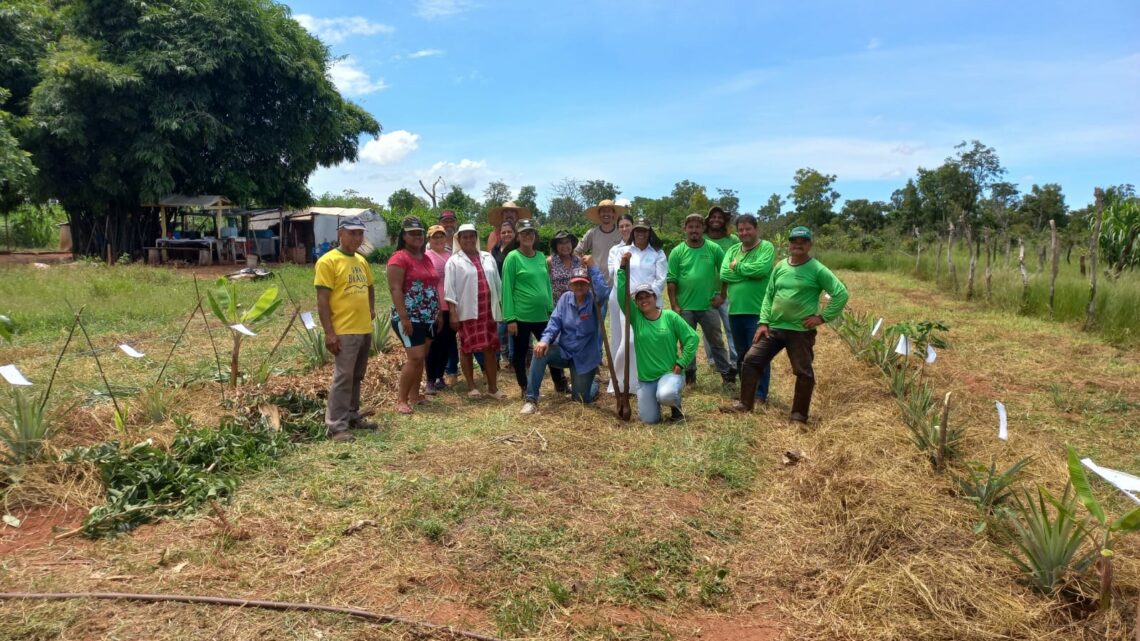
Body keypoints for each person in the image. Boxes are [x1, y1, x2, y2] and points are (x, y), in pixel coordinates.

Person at [727, 226, 849, 423]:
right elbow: (769, 295)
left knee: (803, 372)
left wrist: (822, 317)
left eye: (803, 241)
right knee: (751, 360)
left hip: (800, 331)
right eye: (794, 241)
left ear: (809, 245)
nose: (798, 245)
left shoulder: (817, 269)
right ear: (789, 244)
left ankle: (799, 416)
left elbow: (841, 293)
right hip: (774, 327)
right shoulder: (781, 266)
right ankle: (745, 403)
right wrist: (763, 322)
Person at [315, 216, 377, 442]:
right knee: (343, 377)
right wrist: (329, 332)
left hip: (363, 328)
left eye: (360, 233)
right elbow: (322, 300)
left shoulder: (361, 261)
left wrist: (370, 308)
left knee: (356, 376)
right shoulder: (328, 261)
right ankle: (336, 426)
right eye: (352, 233)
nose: (357, 238)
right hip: (344, 329)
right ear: (340, 233)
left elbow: (370, 286)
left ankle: (352, 416)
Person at [617, 255, 699, 424]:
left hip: (670, 374)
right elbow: (621, 295)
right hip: (647, 379)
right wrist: (622, 268)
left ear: (655, 298)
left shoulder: (669, 316)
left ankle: (675, 409)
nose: (644, 300)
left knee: (666, 394)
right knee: (649, 420)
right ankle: (654, 402)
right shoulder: (637, 318)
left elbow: (693, 339)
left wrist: (682, 363)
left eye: (647, 296)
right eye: (639, 298)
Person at [520, 262, 610, 414]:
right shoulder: (565, 299)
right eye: (576, 283)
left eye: (583, 283)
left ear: (588, 285)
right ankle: (531, 399)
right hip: (564, 351)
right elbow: (554, 322)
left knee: (580, 399)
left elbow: (603, 292)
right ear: (571, 285)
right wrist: (545, 340)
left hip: (584, 358)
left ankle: (593, 381)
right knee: (540, 352)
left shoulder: (595, 300)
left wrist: (593, 267)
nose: (579, 287)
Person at [667, 213, 734, 387]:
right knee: (687, 343)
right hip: (685, 307)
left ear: (702, 228)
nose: (694, 230)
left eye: (697, 227)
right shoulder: (677, 251)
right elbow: (671, 280)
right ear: (685, 229)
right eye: (691, 227)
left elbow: (725, 272)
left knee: (716, 341)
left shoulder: (713, 249)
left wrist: (723, 295)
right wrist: (674, 304)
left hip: (708, 305)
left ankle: (727, 376)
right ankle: (690, 376)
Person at [387, 216, 441, 415]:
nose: (417, 236)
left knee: (421, 357)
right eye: (412, 233)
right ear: (404, 235)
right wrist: (404, 318)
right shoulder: (399, 258)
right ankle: (401, 399)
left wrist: (437, 314)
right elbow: (395, 289)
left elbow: (432, 285)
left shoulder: (425, 257)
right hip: (409, 317)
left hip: (428, 317)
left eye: (419, 232)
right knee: (415, 358)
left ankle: (415, 396)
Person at [718, 214, 776, 402]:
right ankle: (747, 391)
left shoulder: (766, 247)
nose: (744, 233)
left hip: (757, 312)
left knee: (758, 354)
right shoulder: (734, 249)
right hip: (735, 311)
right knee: (742, 354)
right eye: (740, 230)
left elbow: (761, 270)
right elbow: (724, 273)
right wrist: (745, 272)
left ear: (756, 229)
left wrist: (738, 267)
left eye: (747, 229)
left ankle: (760, 394)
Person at [445, 223, 505, 399]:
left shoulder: (487, 257)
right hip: (467, 312)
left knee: (490, 349)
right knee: (467, 349)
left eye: (472, 236)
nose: (469, 240)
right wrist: (453, 314)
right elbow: (450, 291)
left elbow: (498, 284)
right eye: (465, 237)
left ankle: (493, 388)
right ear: (459, 239)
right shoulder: (454, 261)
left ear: (476, 238)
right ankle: (471, 387)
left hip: (488, 310)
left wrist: (501, 308)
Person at [607, 216, 666, 395]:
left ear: (649, 232)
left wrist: (647, 296)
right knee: (629, 342)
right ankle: (620, 383)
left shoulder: (657, 253)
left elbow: (661, 278)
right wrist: (631, 296)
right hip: (629, 303)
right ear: (634, 232)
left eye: (644, 230)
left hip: (651, 303)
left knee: (650, 342)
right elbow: (618, 276)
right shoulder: (622, 251)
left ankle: (651, 381)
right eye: (638, 230)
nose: (641, 233)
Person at [500, 218, 555, 396]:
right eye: (524, 233)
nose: (528, 236)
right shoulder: (513, 257)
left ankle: (559, 382)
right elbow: (506, 288)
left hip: (543, 316)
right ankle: (524, 386)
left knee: (550, 349)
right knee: (520, 353)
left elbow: (546, 284)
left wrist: (550, 309)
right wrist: (510, 318)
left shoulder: (540, 256)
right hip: (521, 317)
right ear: (518, 236)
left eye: (530, 232)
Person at [704, 206, 740, 366]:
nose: (716, 220)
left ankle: (734, 360)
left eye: (720, 217)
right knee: (710, 329)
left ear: (725, 221)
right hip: (706, 292)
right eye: (713, 217)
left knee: (731, 327)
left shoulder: (732, 240)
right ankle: (713, 360)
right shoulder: (702, 239)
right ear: (708, 220)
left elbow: (739, 259)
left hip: (728, 291)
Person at [546, 229, 581, 393]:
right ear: (556, 246)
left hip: (576, 310)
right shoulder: (550, 262)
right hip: (555, 310)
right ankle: (559, 381)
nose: (565, 246)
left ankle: (578, 379)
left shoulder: (579, 261)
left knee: (575, 343)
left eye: (567, 242)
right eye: (561, 243)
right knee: (554, 343)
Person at [424, 225, 457, 394]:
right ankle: (429, 380)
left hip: (450, 305)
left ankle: (439, 377)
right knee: (434, 344)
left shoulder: (450, 256)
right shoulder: (426, 257)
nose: (438, 240)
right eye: (434, 237)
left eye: (441, 236)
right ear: (429, 240)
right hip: (434, 308)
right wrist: (435, 308)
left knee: (447, 343)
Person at [576, 199, 627, 287]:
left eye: (609, 211)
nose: (606, 214)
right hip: (596, 280)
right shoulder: (592, 233)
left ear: (614, 214)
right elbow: (577, 251)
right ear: (599, 215)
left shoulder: (621, 233)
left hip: (617, 280)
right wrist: (584, 264)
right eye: (603, 211)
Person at [436, 210, 460, 380]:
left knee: (460, 333)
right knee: (446, 334)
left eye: (451, 221)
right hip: (443, 299)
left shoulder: (463, 241)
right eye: (445, 222)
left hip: (462, 295)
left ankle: (454, 367)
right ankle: (449, 369)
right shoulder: (435, 245)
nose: (449, 225)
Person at [491, 220, 516, 368]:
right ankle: (498, 358)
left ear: (515, 233)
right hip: (500, 293)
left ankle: (513, 359)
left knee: (513, 328)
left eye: (509, 232)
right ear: (499, 234)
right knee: (500, 328)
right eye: (503, 232)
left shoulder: (518, 249)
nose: (506, 234)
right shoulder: (495, 250)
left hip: (516, 293)